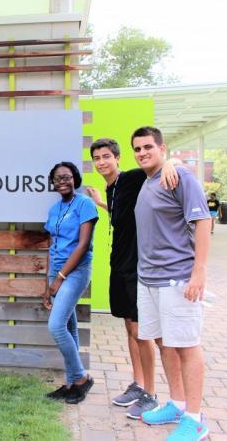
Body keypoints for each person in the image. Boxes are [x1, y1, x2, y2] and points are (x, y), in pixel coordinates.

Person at [86, 139, 178, 418]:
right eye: (97, 158)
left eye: (106, 157)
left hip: (138, 266)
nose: (101, 162)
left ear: (117, 158)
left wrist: (172, 161)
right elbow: (122, 217)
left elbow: (160, 167)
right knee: (129, 327)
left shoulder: (133, 177)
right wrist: (102, 203)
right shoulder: (111, 188)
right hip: (120, 266)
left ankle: (151, 394)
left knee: (143, 331)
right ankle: (138, 384)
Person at [132, 127, 210, 441]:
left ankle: (195, 419)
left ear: (163, 148)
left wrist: (199, 272)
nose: (142, 153)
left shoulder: (180, 177)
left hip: (176, 278)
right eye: (137, 149)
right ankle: (177, 404)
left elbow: (203, 220)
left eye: (148, 147)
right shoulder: (149, 180)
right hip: (148, 279)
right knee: (165, 342)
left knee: (187, 346)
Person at [42, 161, 98, 404]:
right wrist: (48, 282)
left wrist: (60, 279)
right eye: (57, 178)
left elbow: (83, 244)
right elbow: (51, 246)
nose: (62, 181)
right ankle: (70, 383)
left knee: (56, 326)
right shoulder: (54, 210)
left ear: (75, 178)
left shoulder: (85, 204)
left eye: (66, 177)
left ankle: (80, 380)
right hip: (57, 270)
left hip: (75, 271)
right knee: (70, 327)